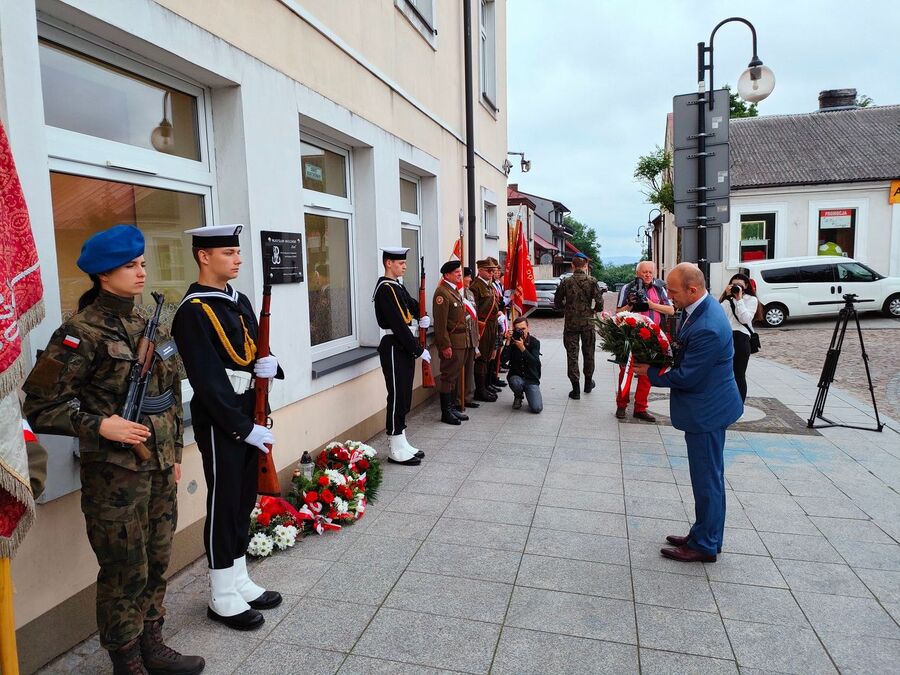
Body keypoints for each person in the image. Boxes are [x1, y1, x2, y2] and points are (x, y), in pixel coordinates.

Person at [22, 225, 204, 674]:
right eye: (131, 266)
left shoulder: (151, 322)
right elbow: (41, 406)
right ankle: (127, 660)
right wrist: (100, 425)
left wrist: (176, 455)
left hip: (159, 468)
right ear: (104, 274)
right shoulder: (80, 333)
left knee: (158, 560)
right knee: (125, 570)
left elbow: (169, 392)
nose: (141, 272)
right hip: (115, 477)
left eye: (142, 264)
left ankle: (153, 644)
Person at [172, 224, 283, 631]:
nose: (237, 259)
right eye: (228, 253)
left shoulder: (239, 300)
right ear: (204, 257)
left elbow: (255, 348)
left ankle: (238, 578)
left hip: (249, 409)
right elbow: (207, 380)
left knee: (242, 499)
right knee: (223, 502)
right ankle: (221, 594)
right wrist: (242, 427)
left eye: (238, 253)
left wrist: (270, 368)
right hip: (223, 419)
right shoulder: (193, 311)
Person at [633, 263, 743, 563]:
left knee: (707, 480)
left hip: (707, 411)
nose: (668, 296)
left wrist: (650, 372)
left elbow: (687, 376)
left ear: (692, 290)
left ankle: (705, 544)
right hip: (709, 406)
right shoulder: (701, 308)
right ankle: (704, 533)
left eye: (672, 290)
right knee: (710, 478)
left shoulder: (707, 325)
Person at [372, 247, 430, 465]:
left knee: (404, 394)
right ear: (388, 263)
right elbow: (397, 324)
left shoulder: (397, 287)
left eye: (404, 263)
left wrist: (422, 317)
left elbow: (414, 307)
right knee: (396, 396)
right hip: (394, 345)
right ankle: (395, 447)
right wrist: (418, 349)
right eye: (400, 263)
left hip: (402, 346)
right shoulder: (385, 289)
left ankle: (402, 440)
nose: (404, 266)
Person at [615, 260, 674, 420]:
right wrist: (630, 305)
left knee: (647, 372)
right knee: (626, 371)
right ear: (637, 273)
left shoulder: (660, 289)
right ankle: (621, 405)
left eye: (650, 272)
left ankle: (640, 408)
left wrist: (650, 304)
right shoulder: (627, 288)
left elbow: (671, 309)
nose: (648, 275)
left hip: (653, 337)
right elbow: (618, 312)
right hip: (631, 335)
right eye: (644, 272)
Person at [554, 252, 605, 400]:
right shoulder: (592, 281)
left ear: (572, 265)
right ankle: (588, 384)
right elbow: (600, 303)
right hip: (588, 323)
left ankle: (575, 389)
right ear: (585, 266)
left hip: (571, 324)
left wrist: (567, 308)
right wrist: (593, 310)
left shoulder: (566, 282)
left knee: (572, 355)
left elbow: (557, 302)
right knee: (589, 353)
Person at [432, 260, 473, 424]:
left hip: (461, 341)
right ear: (447, 274)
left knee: (455, 376)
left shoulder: (454, 291)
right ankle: (446, 412)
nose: (459, 275)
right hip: (452, 343)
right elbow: (440, 324)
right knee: (448, 377)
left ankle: (452, 408)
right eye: (456, 272)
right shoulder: (442, 293)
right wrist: (445, 345)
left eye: (460, 272)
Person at [718, 272, 760, 403]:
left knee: (739, 374)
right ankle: (725, 402)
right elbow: (718, 315)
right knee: (724, 373)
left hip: (741, 339)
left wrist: (739, 299)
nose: (736, 287)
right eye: (734, 284)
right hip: (726, 338)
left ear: (746, 286)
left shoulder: (751, 300)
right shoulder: (727, 300)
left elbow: (746, 319)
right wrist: (726, 296)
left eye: (740, 285)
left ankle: (739, 405)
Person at [471, 259, 499, 402]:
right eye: (488, 270)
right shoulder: (475, 286)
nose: (491, 273)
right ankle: (480, 390)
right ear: (480, 270)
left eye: (492, 270)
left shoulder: (489, 286)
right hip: (483, 325)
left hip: (492, 324)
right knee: (481, 357)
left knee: (489, 355)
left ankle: (486, 385)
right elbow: (473, 310)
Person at [505, 316, 543, 413]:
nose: (521, 331)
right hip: (517, 377)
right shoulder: (512, 341)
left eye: (523, 329)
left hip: (531, 379)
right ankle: (518, 395)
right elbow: (502, 361)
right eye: (518, 329)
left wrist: (522, 348)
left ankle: (530, 392)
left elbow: (534, 362)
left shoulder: (535, 342)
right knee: (515, 382)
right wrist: (508, 342)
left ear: (528, 327)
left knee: (537, 408)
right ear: (514, 330)